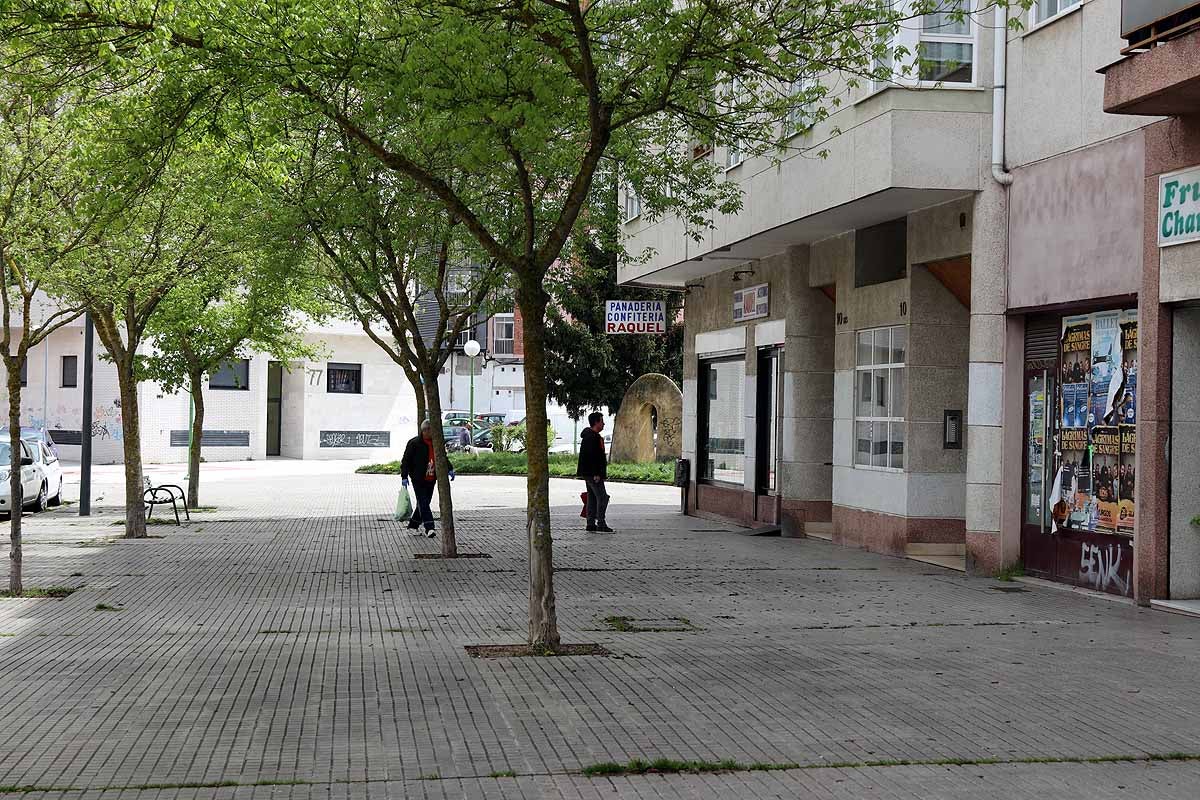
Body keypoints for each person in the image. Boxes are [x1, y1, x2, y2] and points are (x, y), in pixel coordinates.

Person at [400, 420, 455, 537]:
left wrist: (450, 468)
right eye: (431, 430)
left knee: (423, 503)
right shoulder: (414, 443)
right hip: (418, 478)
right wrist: (404, 476)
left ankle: (413, 526)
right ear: (425, 431)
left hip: (431, 478)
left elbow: (442, 457)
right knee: (424, 503)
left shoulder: (436, 443)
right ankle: (429, 528)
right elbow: (405, 461)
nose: (433, 433)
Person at [576, 411, 613, 533]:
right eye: (602, 421)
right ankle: (601, 522)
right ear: (596, 422)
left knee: (592, 497)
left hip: (588, 473)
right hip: (593, 474)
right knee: (602, 497)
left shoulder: (588, 436)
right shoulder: (593, 437)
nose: (603, 424)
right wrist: (597, 473)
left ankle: (591, 523)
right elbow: (593, 457)